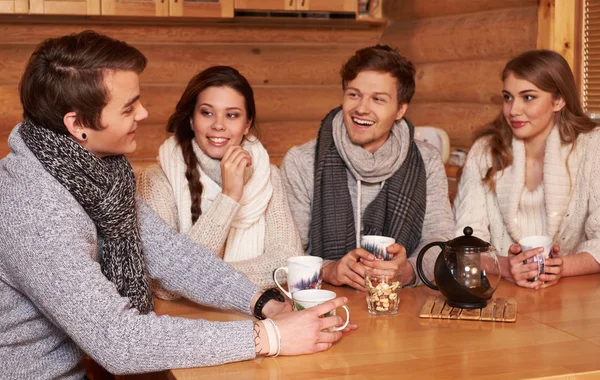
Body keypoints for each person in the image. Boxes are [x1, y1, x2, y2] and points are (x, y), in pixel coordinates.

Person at [0, 31, 353, 380]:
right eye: (128, 107)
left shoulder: (98, 176)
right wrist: (269, 337)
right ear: (77, 126)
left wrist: (265, 304)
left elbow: (174, 255)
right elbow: (119, 341)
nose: (144, 113)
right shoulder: (34, 206)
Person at [280, 44, 454, 291]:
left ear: (400, 110)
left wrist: (409, 270)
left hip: (401, 307)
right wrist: (329, 270)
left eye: (378, 99)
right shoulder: (301, 161)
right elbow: (286, 251)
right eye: (354, 94)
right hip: (325, 305)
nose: (361, 108)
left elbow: (440, 242)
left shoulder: (426, 160)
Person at [137, 66, 303, 300]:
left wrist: (204, 279)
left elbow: (288, 261)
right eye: (207, 113)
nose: (218, 125)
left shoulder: (268, 175)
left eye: (232, 115)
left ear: (247, 124)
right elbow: (165, 285)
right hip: (186, 323)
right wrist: (229, 197)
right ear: (192, 120)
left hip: (256, 316)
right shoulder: (157, 179)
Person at [453, 49, 600, 289]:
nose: (514, 110)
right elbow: (463, 244)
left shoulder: (593, 147)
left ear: (559, 100)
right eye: (508, 97)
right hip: (498, 290)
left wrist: (562, 267)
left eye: (528, 97)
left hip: (572, 295)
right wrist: (503, 266)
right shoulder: (486, 151)